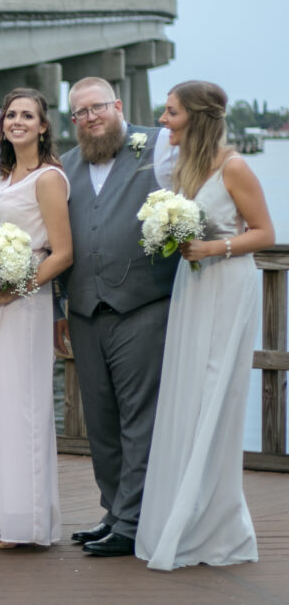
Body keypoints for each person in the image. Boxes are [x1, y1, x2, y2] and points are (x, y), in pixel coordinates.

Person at [136, 81, 273, 570]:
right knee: (186, 393)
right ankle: (180, 513)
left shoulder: (233, 166)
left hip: (227, 284)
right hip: (192, 287)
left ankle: (212, 524)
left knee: (213, 392)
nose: (163, 120)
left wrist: (214, 247)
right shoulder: (183, 167)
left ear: (196, 116)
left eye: (171, 112)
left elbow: (265, 232)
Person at [56, 77, 177, 557]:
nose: (90, 118)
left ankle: (133, 521)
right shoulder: (65, 166)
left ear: (118, 106)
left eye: (97, 107)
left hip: (143, 304)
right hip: (85, 310)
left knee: (139, 418)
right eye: (80, 112)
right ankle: (113, 511)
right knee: (100, 421)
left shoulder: (159, 146)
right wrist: (60, 307)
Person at [0, 89, 71, 549]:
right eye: (11, 115)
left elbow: (62, 253)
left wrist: (14, 290)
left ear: (43, 126)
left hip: (24, 302)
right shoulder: (2, 179)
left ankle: (23, 520)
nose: (17, 121)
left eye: (28, 115)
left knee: (20, 406)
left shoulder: (48, 179)